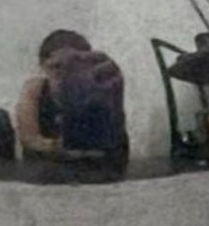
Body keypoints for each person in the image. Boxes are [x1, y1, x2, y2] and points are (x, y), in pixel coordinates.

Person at [15, 30, 129, 173]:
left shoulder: (101, 88)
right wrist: (58, 146)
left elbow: (116, 140)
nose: (62, 75)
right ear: (42, 65)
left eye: (72, 68)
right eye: (56, 67)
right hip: (46, 162)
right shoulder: (35, 89)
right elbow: (29, 138)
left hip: (95, 161)